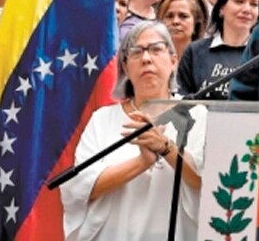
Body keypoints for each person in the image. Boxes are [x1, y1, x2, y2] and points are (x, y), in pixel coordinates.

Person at [61, 21, 205, 241]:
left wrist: (166, 149)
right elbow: (82, 188)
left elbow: (203, 181)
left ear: (173, 60)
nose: (146, 58)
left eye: (156, 49)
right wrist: (142, 162)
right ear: (126, 68)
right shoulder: (103, 119)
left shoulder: (196, 114)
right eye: (136, 52)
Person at [177, 0, 259, 100]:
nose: (247, 9)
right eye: (239, 1)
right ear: (222, 8)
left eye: (254, 4)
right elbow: (182, 101)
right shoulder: (195, 51)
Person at [158, 0, 207, 69]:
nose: (175, 21)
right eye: (169, 16)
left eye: (183, 16)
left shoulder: (207, 61)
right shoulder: (152, 59)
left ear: (196, 22)